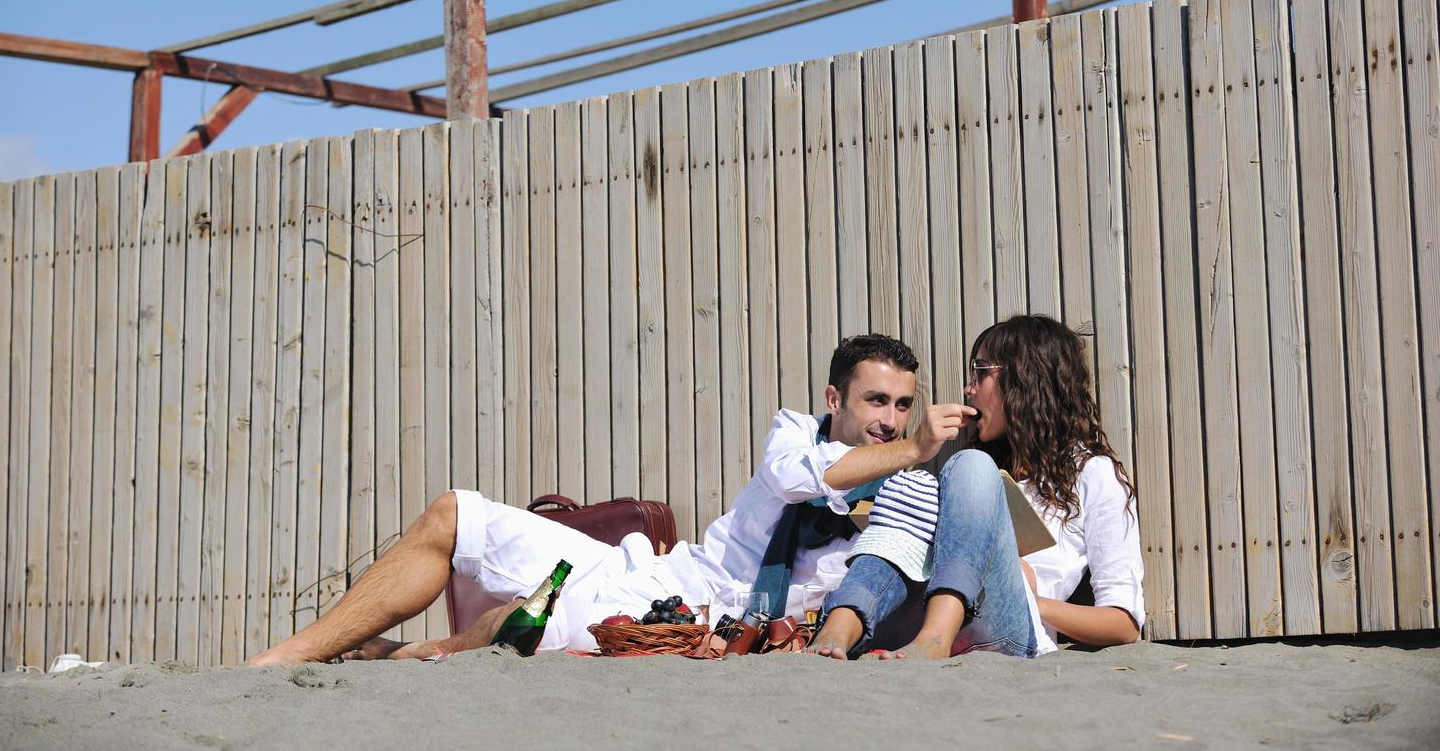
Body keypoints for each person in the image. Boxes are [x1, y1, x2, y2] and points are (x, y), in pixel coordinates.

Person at [246, 333, 972, 665]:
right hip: (651, 571)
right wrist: (908, 449)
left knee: (524, 620)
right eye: (876, 398)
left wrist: (911, 470)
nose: (890, 415)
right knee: (453, 513)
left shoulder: (907, 490)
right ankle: (284, 658)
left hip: (682, 623)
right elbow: (794, 480)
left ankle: (408, 658)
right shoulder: (797, 435)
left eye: (903, 405)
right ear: (832, 399)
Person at [811, 315, 1144, 660]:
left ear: (1025, 380)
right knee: (914, 485)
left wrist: (1033, 598)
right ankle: (839, 628)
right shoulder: (986, 465)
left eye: (981, 373)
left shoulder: (1091, 472)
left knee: (970, 464)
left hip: (1007, 630)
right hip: (921, 614)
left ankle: (934, 637)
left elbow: (1124, 624)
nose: (969, 389)